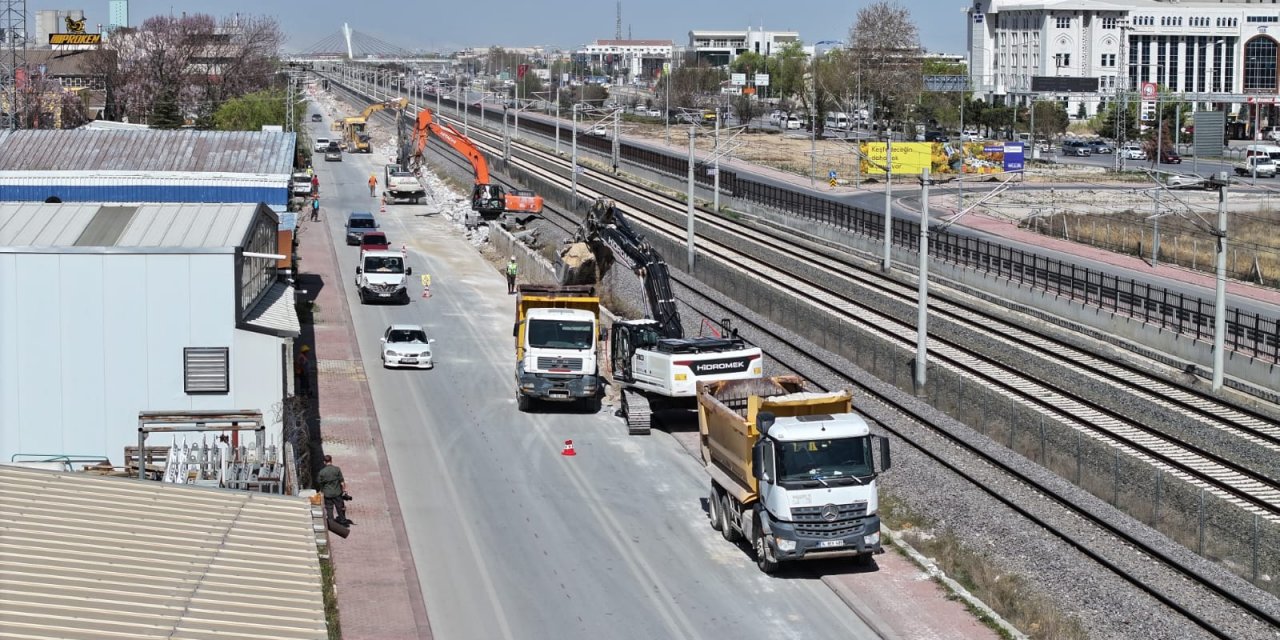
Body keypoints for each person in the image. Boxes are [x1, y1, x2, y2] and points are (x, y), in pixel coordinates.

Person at [317, 455, 352, 526]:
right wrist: (344, 491)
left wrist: (321, 491)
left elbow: (319, 483)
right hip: (337, 493)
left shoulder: (322, 472)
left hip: (327, 494)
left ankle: (331, 523)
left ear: (324, 462)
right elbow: (342, 482)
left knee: (329, 509)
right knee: (340, 507)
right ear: (331, 461)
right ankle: (343, 521)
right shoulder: (337, 469)